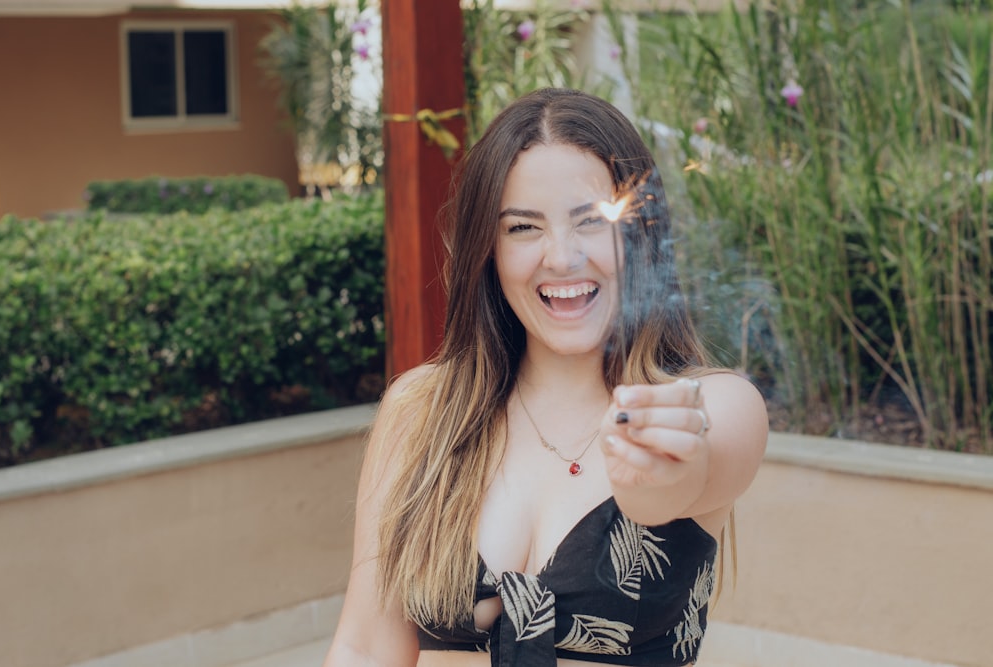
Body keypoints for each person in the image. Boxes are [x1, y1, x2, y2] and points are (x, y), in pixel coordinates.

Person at [323, 88, 768, 667]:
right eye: (522, 228)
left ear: (641, 234)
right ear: (489, 250)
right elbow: (364, 647)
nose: (561, 257)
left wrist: (652, 479)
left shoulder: (708, 404)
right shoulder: (421, 410)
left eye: (590, 221)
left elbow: (683, 479)